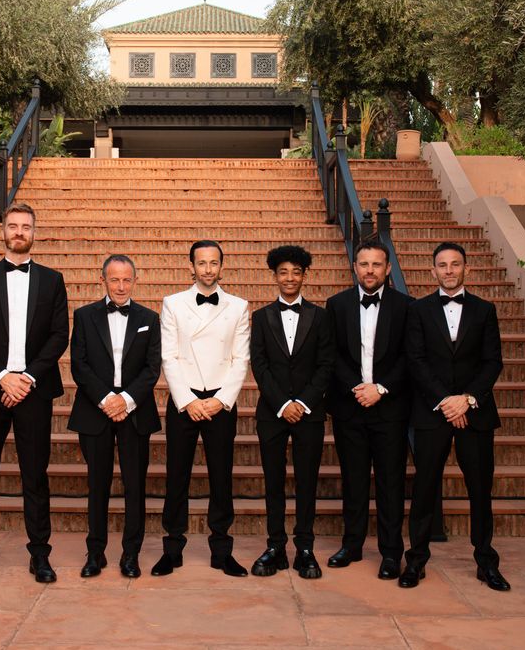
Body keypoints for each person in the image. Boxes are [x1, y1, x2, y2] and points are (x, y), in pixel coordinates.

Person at [0, 202, 69, 585]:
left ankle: (40, 555)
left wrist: (26, 379)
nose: (19, 231)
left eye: (26, 226)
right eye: (13, 225)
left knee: (35, 477)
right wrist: (3, 376)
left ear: (34, 232)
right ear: (2, 231)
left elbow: (59, 335)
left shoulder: (53, 280)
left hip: (34, 391)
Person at [400, 241, 509, 591]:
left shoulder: (484, 310)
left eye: (455, 264)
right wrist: (447, 401)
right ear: (433, 271)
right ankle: (415, 560)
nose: (449, 270)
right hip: (433, 413)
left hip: (475, 414)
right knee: (425, 488)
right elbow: (415, 361)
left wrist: (467, 400)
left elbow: (493, 361)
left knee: (480, 489)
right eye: (442, 265)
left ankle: (486, 561)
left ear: (466, 269)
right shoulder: (417, 311)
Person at [151, 240, 251, 577]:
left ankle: (222, 551)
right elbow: (169, 355)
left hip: (220, 403)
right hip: (185, 402)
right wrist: (189, 401)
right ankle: (172, 549)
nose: (208, 269)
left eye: (213, 263)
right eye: (201, 263)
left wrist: (221, 400)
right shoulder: (173, 304)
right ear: (190, 266)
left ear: (222, 266)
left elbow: (241, 359)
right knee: (176, 477)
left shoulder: (238, 306)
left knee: (221, 479)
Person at [68, 255, 162, 579]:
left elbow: (153, 368)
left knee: (135, 486)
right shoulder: (84, 316)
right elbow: (78, 365)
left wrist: (127, 400)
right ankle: (95, 553)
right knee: (97, 484)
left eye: (126, 280)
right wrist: (108, 399)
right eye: (114, 280)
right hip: (96, 410)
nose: (120, 286)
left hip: (135, 413)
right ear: (103, 280)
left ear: (135, 281)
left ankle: (131, 554)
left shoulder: (150, 317)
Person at [326, 240, 413, 580]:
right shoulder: (337, 305)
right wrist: (357, 388)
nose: (370, 270)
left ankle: (392, 553)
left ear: (388, 269)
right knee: (354, 480)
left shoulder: (406, 306)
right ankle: (352, 544)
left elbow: (410, 356)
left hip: (389, 408)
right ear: (355, 267)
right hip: (350, 407)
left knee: (391, 484)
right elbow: (331, 354)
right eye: (364, 264)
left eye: (377, 265)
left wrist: (381, 388)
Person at [249, 245, 334, 579]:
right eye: (283, 272)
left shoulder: (321, 316)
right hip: (272, 412)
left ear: (304, 276)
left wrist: (303, 402)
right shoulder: (261, 317)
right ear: (275, 276)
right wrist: (283, 404)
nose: (289, 278)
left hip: (309, 412)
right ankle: (275, 546)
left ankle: (305, 547)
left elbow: (327, 364)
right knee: (273, 482)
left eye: (296, 272)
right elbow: (259, 363)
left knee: (307, 481)